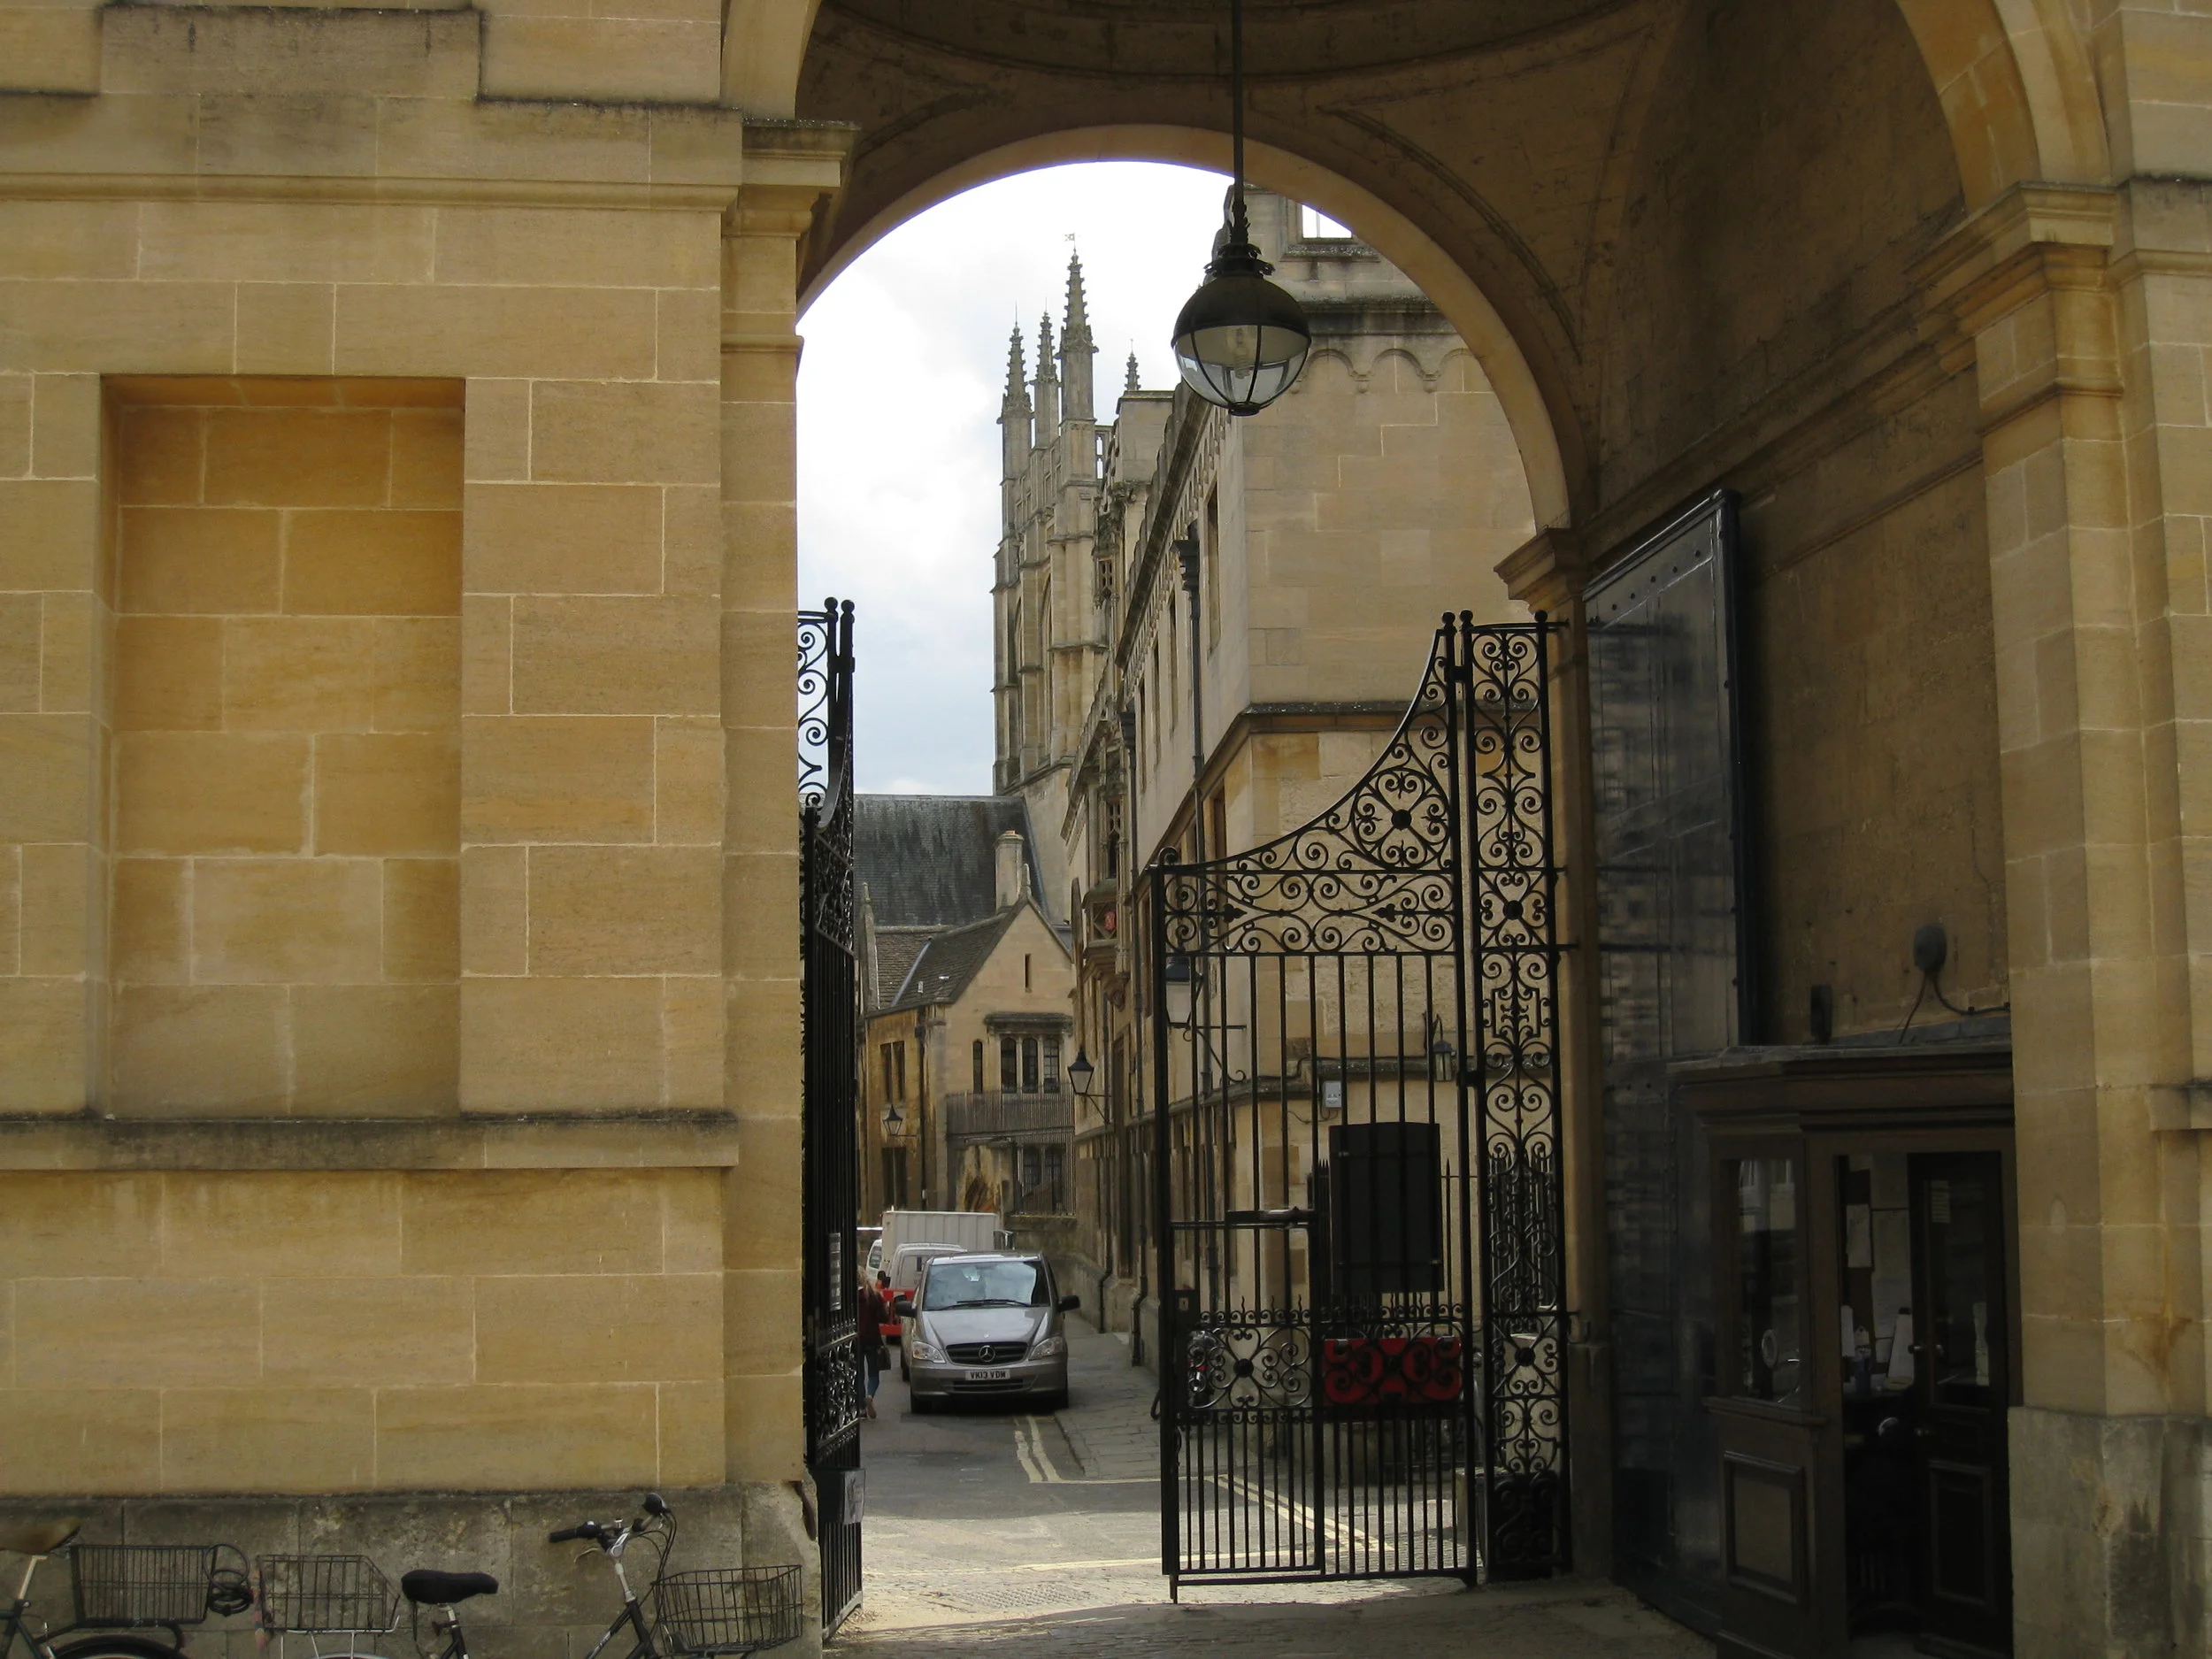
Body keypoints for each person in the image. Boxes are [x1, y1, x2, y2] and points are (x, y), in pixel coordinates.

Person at [857, 1275, 890, 1418]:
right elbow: (883, 1318)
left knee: (858, 1374)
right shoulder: (874, 1297)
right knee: (873, 1373)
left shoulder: (848, 1297)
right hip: (872, 1338)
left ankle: (862, 1409)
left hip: (856, 1340)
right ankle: (870, 1395)